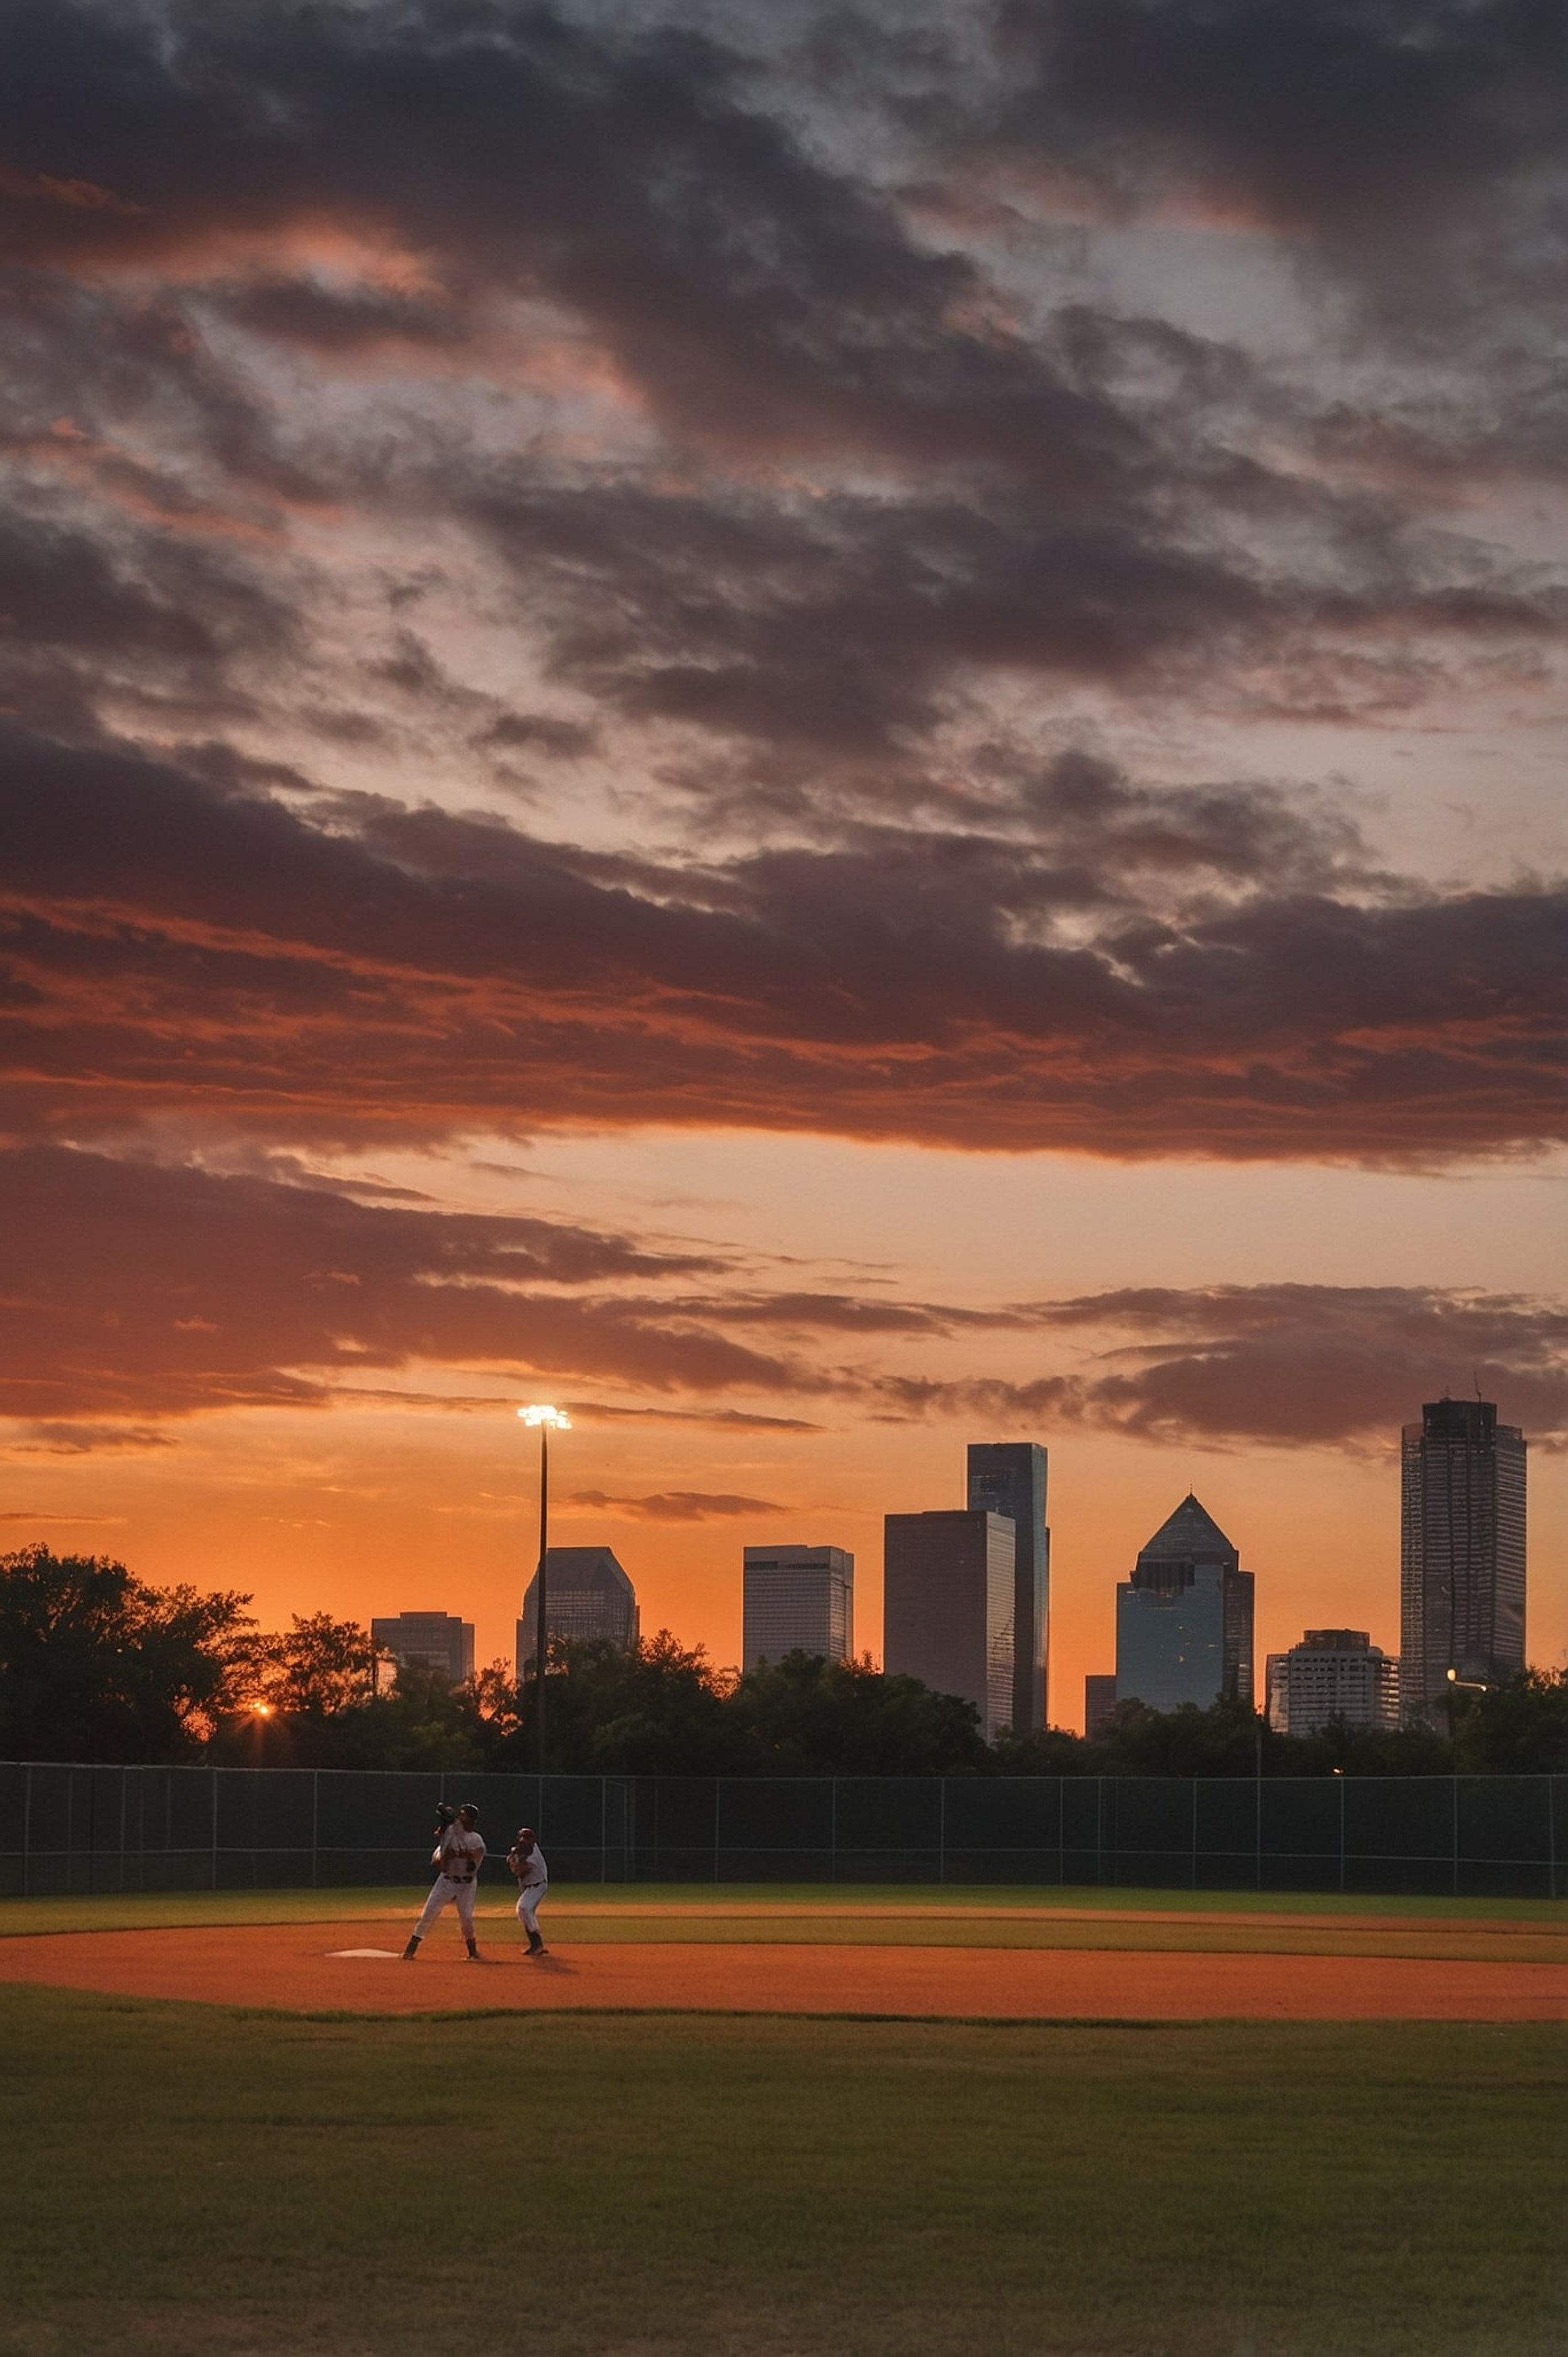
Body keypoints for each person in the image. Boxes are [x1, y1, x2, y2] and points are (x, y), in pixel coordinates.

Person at [401, 1801, 485, 1959]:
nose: (460, 1818)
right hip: (446, 1882)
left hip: (467, 1885)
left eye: (463, 1815)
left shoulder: (477, 1840)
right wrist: (446, 1854)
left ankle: (473, 1952)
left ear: (472, 1820)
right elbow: (440, 1864)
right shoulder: (450, 1833)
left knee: (466, 1918)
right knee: (429, 1913)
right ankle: (410, 1950)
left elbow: (472, 1864)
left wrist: (458, 1854)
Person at [507, 1825, 549, 1955]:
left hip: (538, 1886)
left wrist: (514, 1862)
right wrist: (514, 1857)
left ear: (533, 1840)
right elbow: (519, 1855)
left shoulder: (532, 1854)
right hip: (532, 1886)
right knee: (525, 1911)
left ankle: (537, 1943)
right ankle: (536, 1944)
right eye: (523, 1838)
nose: (524, 1840)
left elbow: (521, 1872)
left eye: (528, 1838)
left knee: (523, 1908)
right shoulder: (526, 1850)